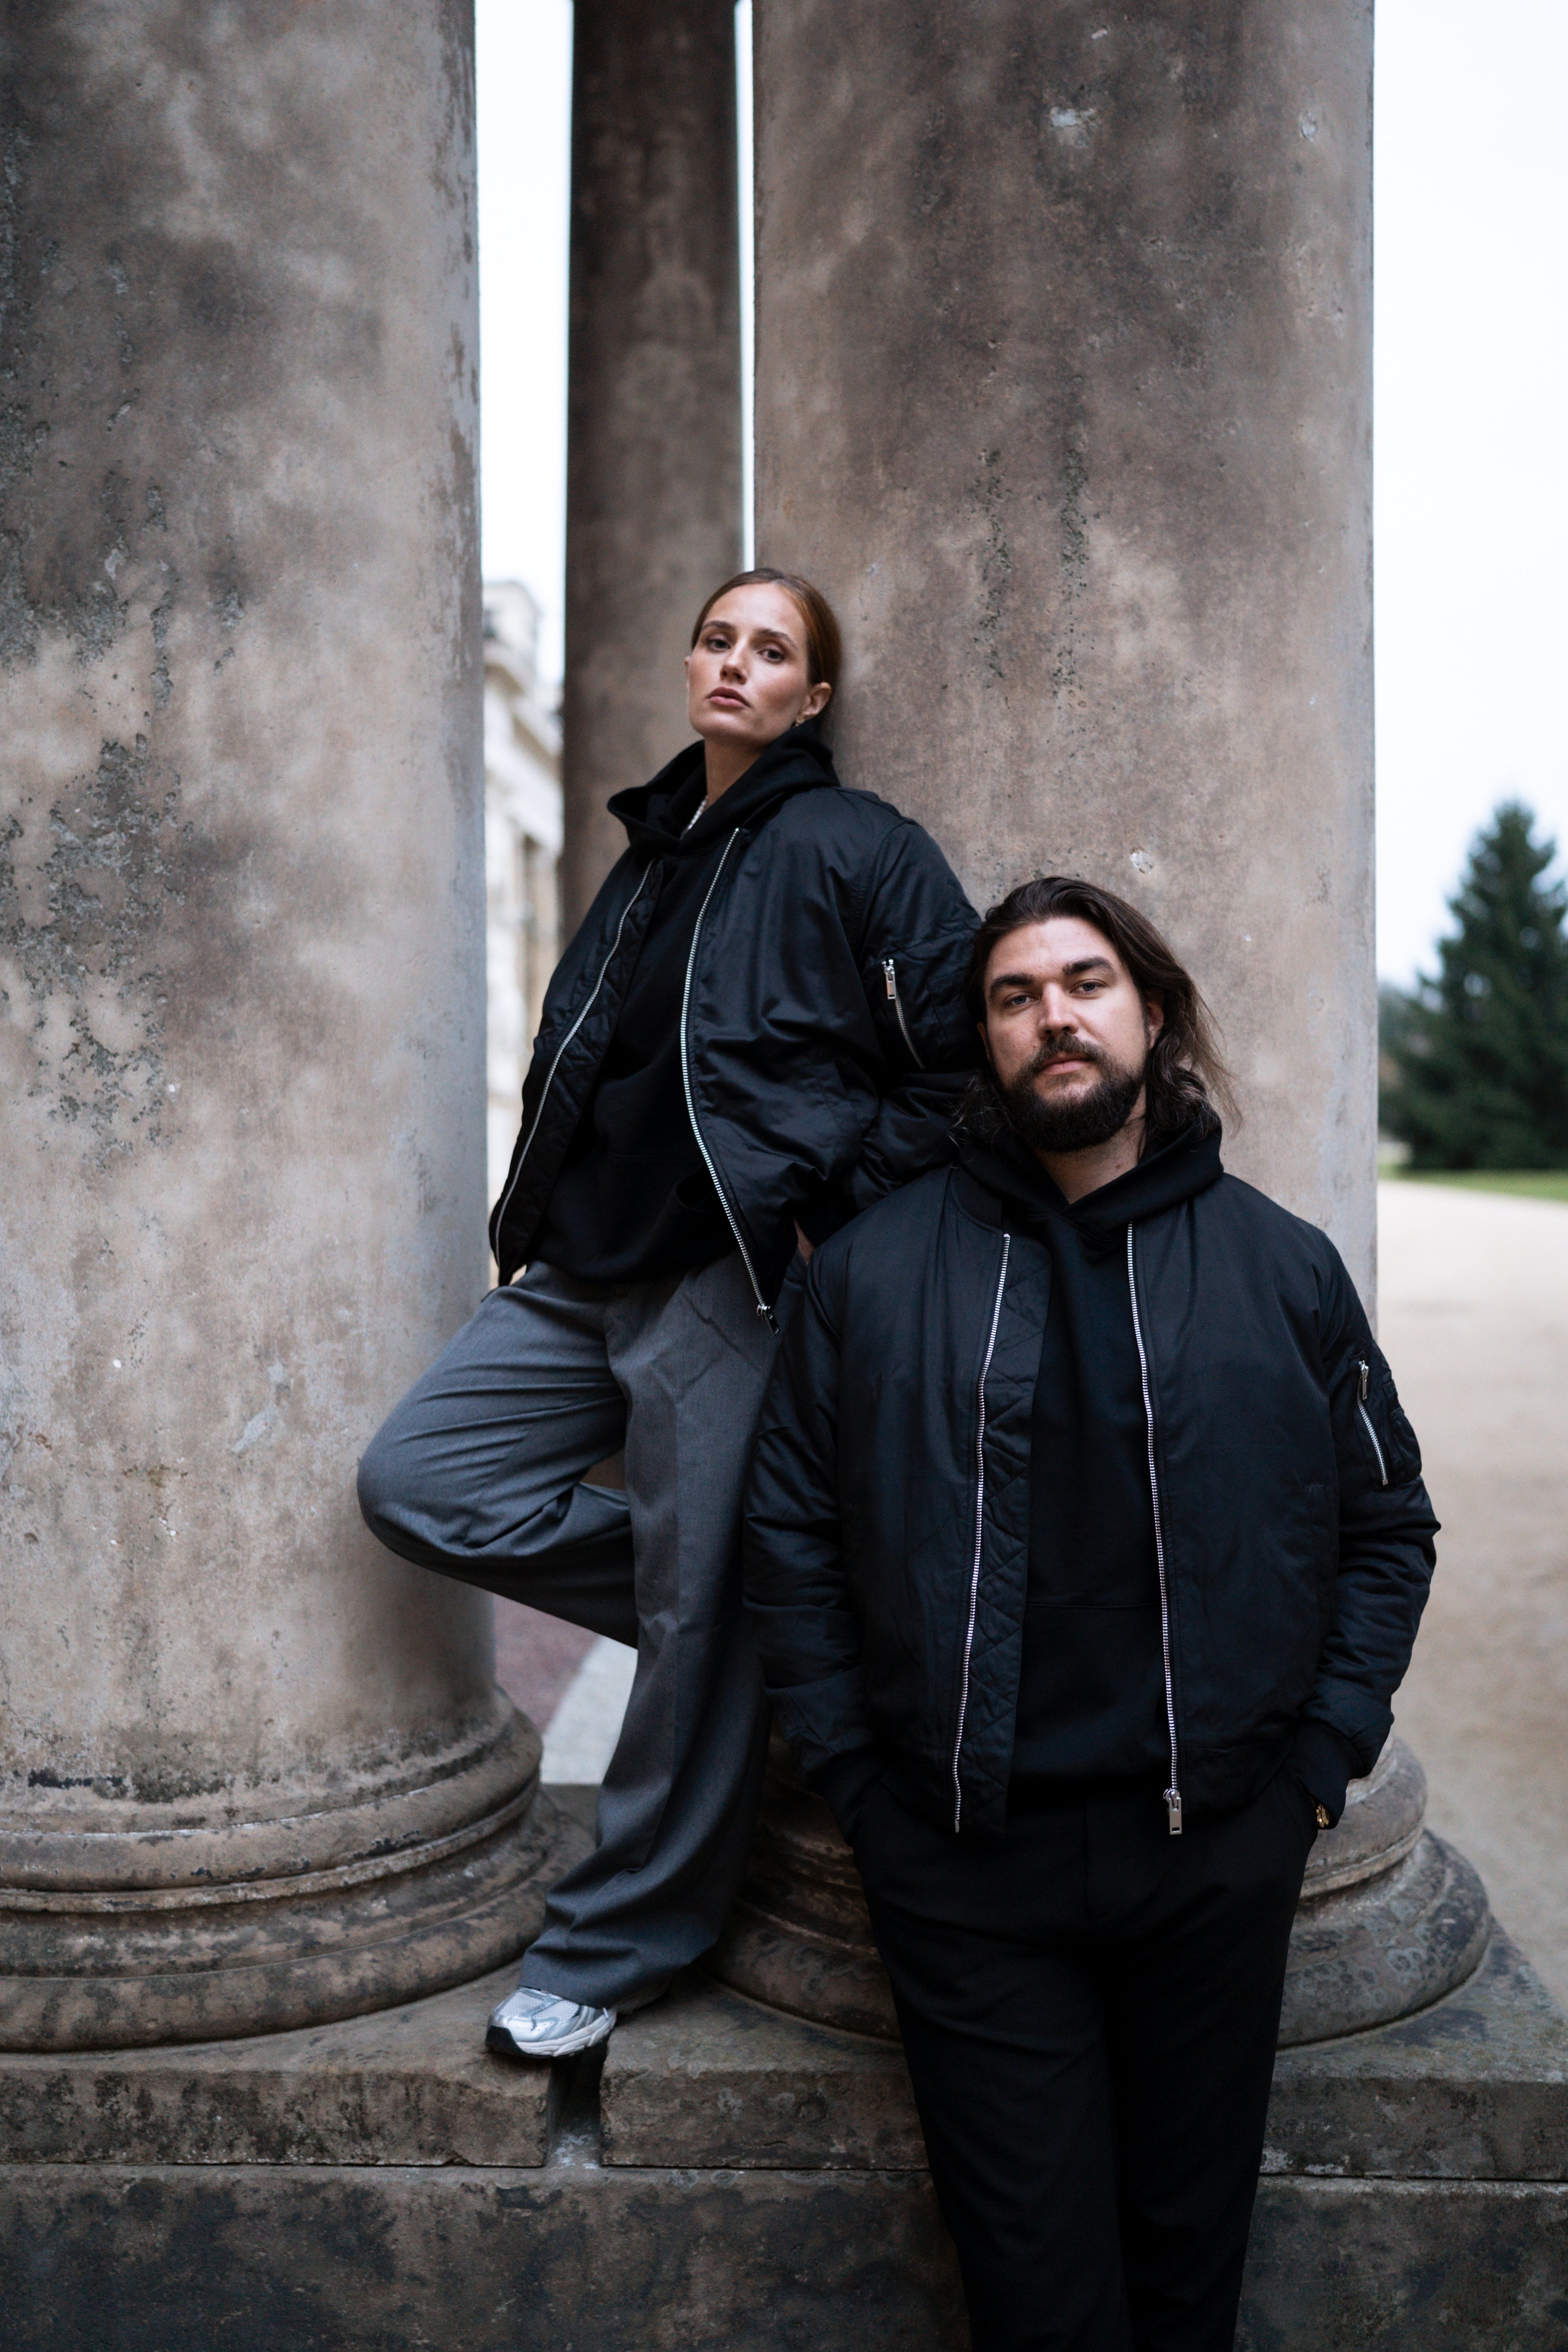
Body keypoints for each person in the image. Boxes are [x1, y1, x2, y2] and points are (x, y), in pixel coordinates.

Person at [742, 875, 1438, 2352]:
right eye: (1015, 996)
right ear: (985, 1040)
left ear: (1153, 1015)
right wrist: (860, 1783)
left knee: (1188, 2286)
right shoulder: (871, 1273)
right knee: (1038, 2301)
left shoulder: (1282, 1268)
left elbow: (1388, 1526)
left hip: (1214, 1855)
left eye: (1085, 983)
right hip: (965, 1869)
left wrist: (1318, 1768)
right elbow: (789, 1538)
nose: (1053, 1016)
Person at [357, 568, 978, 2060]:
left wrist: (828, 1210)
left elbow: (960, 1069)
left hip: (726, 1280)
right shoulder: (649, 852)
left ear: (811, 697)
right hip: (581, 1272)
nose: (734, 664)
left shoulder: (859, 845)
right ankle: (751, 1614)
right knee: (420, 1481)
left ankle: (618, 1942)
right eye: (716, 639)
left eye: (772, 650)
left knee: (700, 1616)